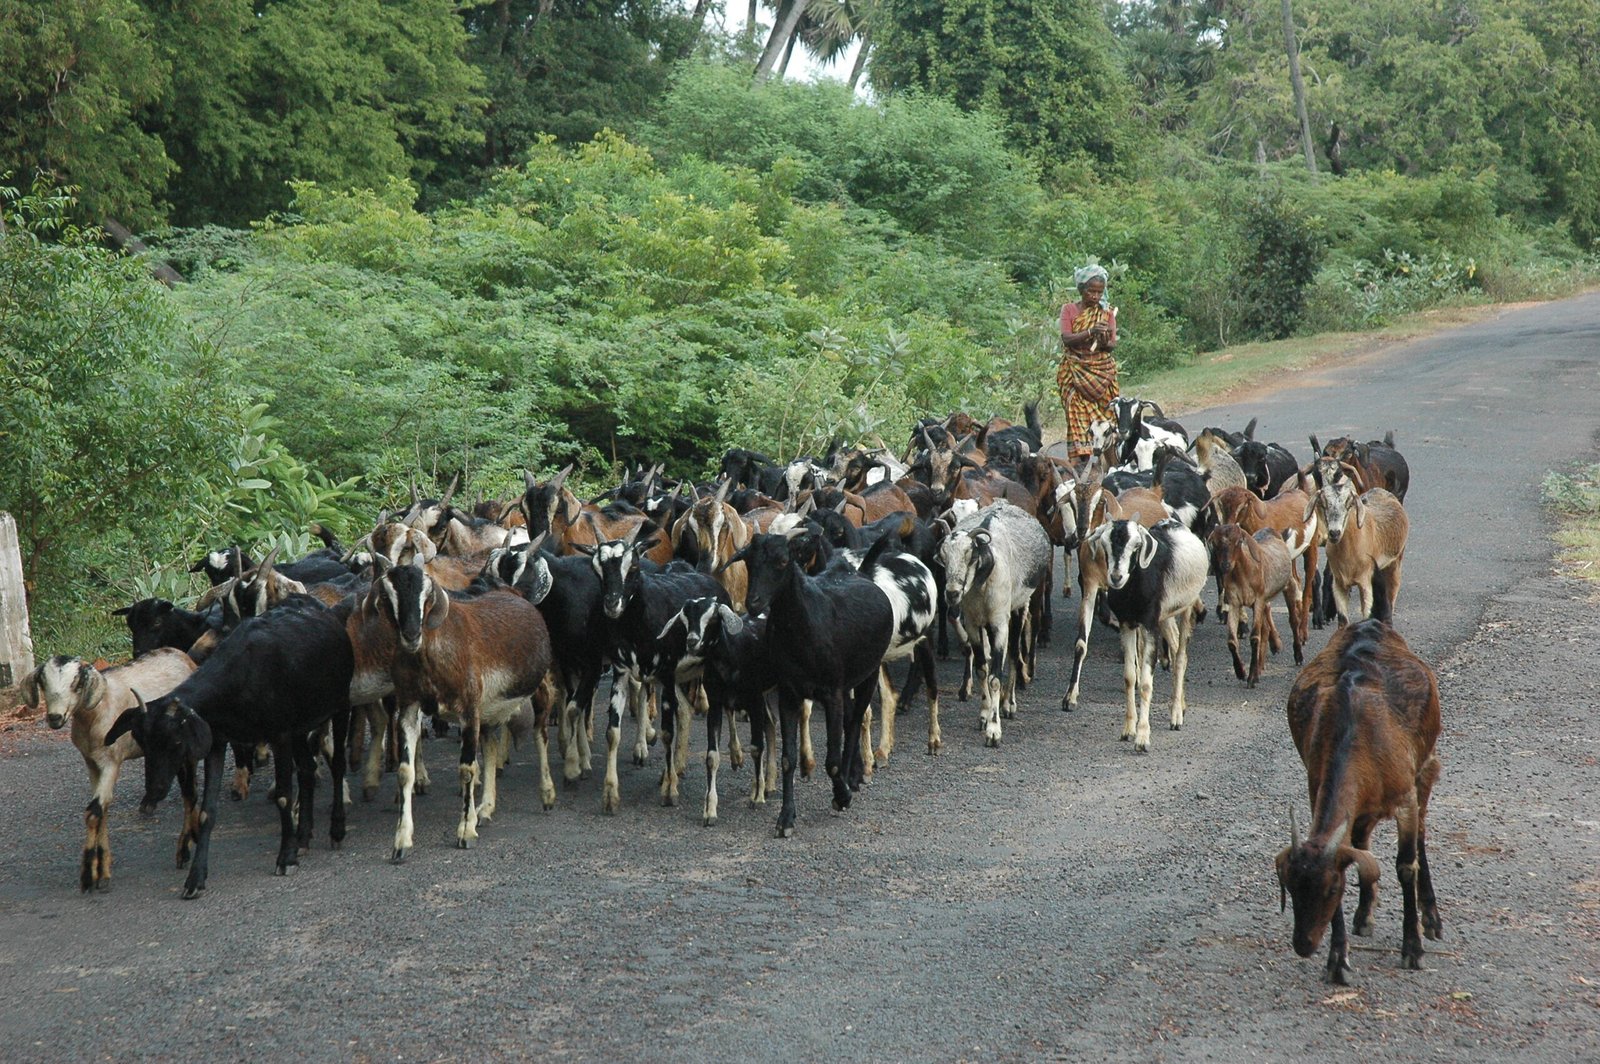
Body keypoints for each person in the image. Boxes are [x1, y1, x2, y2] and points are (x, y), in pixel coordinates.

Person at [1056, 264, 1119, 460]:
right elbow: (1066, 338)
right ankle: (1080, 464)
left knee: (1108, 419)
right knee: (1076, 416)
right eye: (1091, 291)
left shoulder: (1106, 313)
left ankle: (1111, 466)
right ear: (1082, 289)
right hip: (1074, 371)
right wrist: (1090, 332)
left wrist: (1102, 338)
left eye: (1099, 292)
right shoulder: (1069, 310)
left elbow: (1110, 346)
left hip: (1102, 373)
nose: (1095, 296)